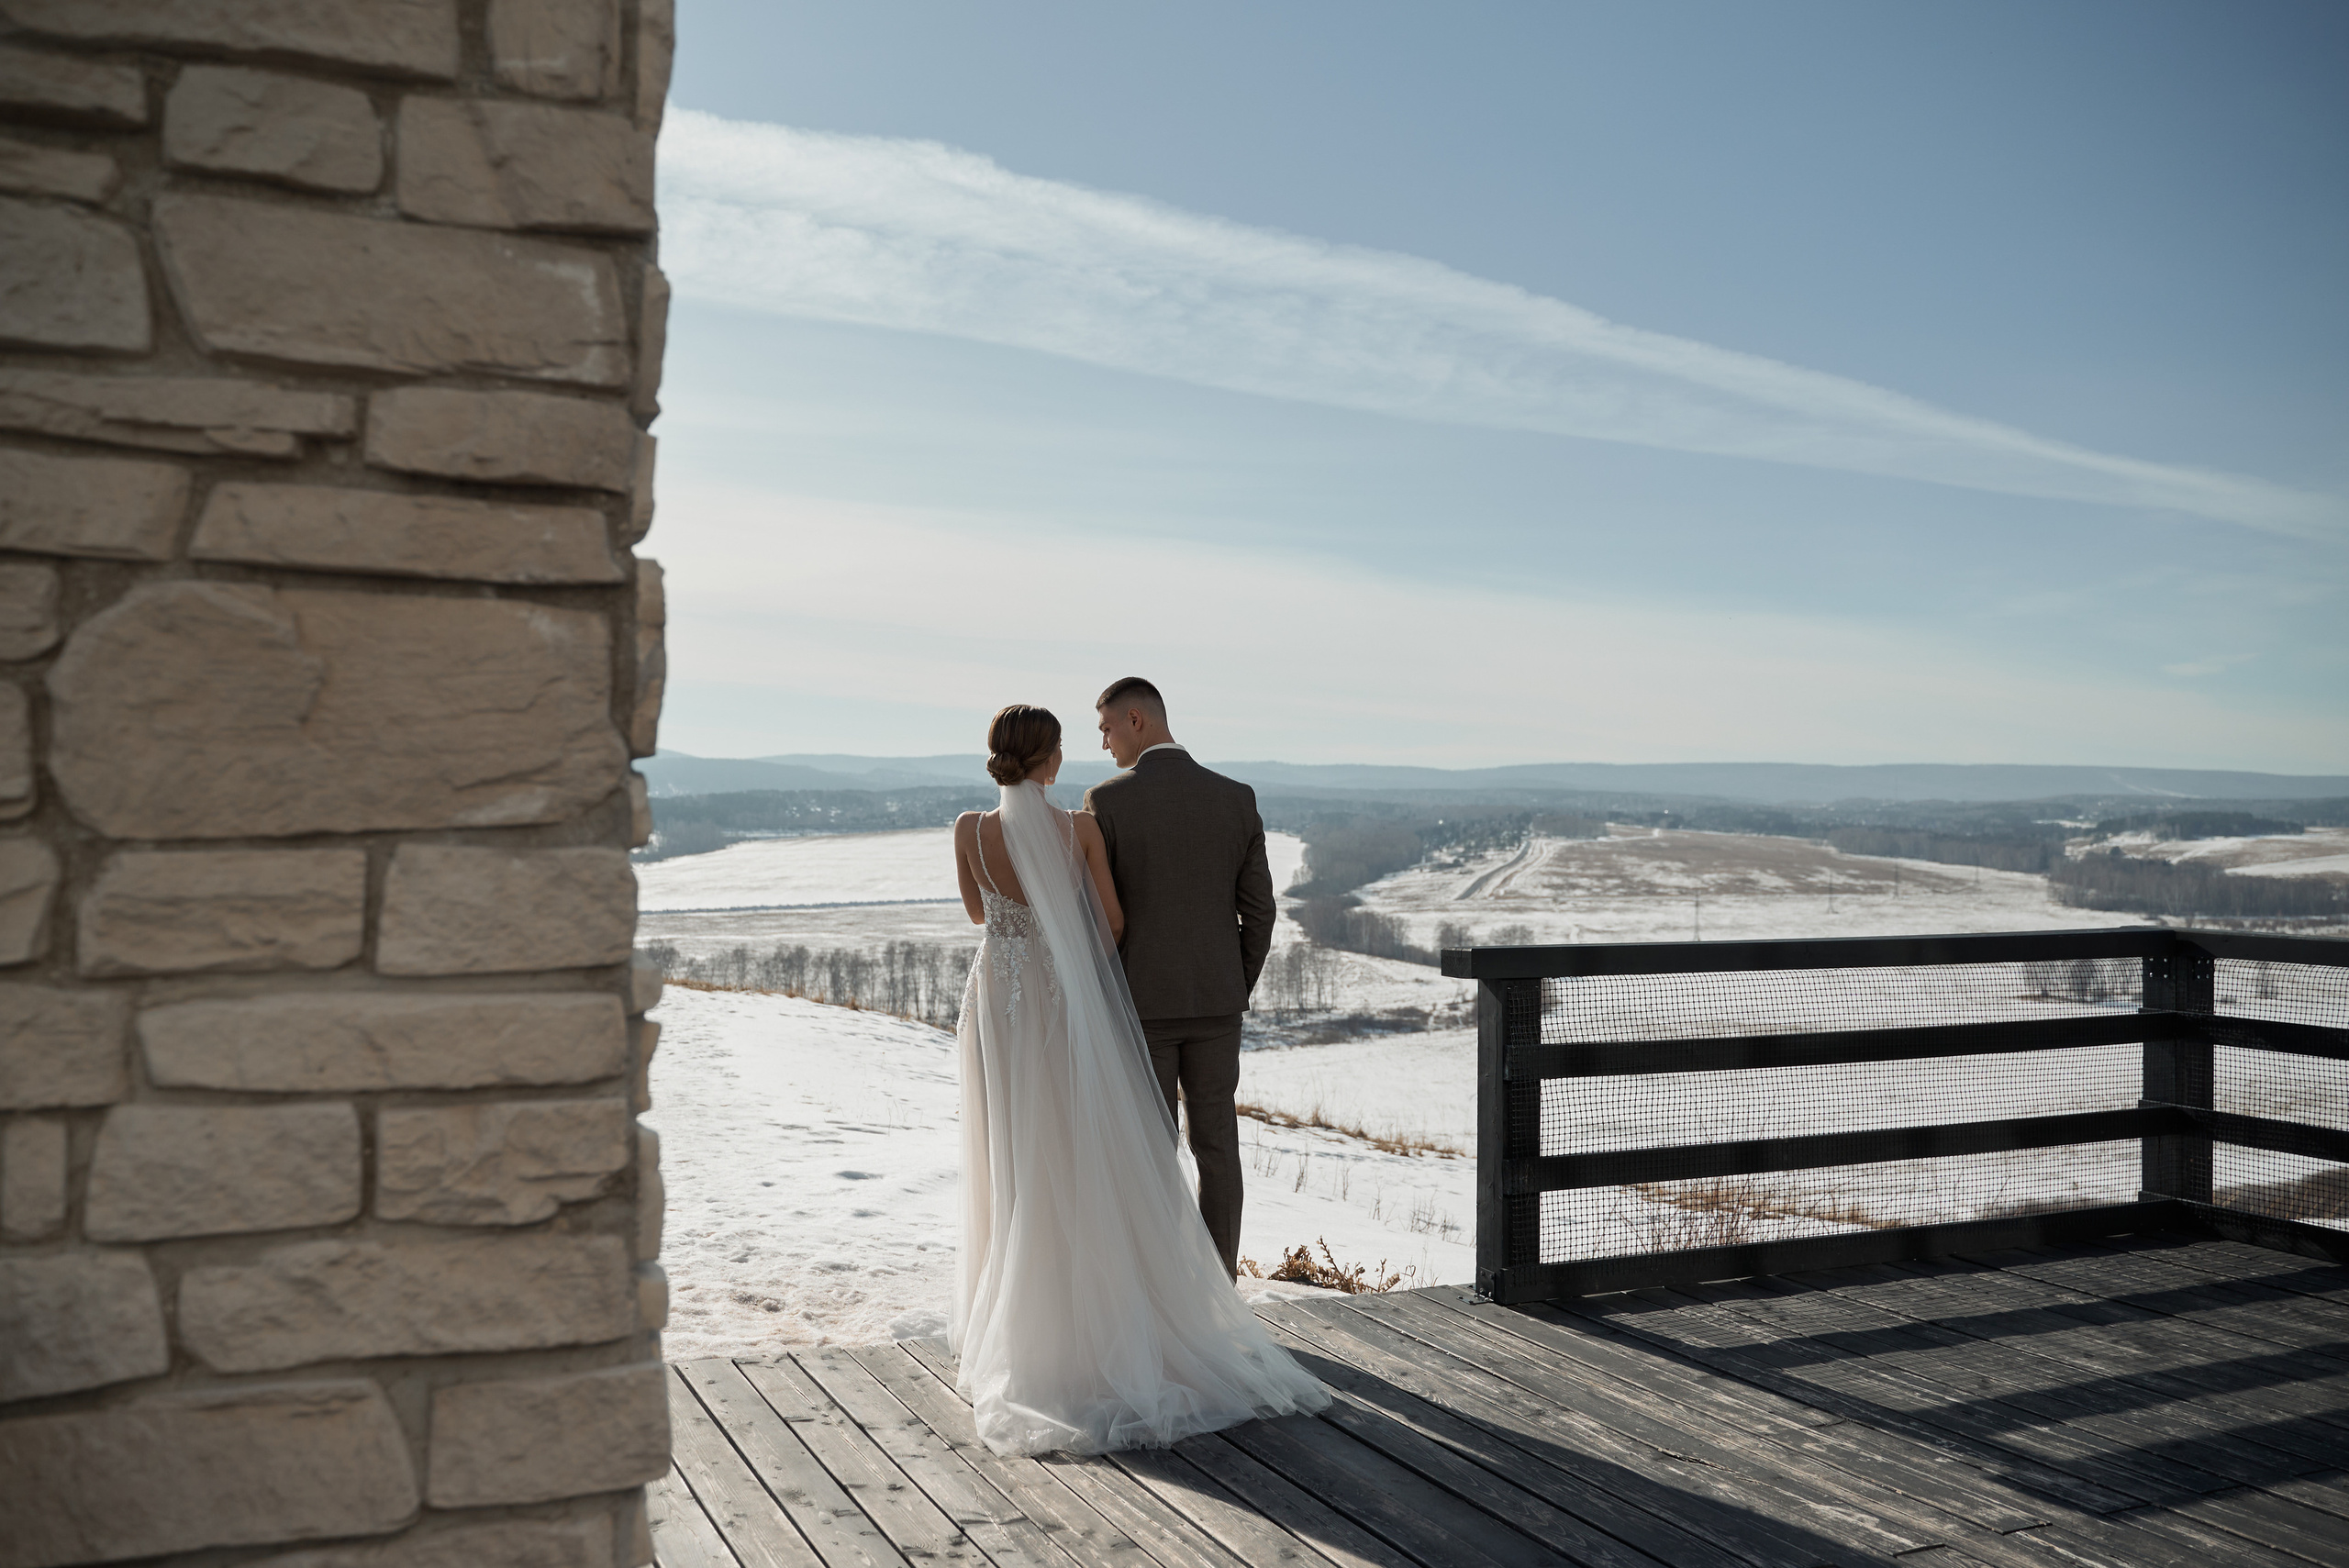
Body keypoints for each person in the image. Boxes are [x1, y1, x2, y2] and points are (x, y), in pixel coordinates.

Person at [948, 703, 1327, 1456]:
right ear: (1049, 759)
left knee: (1013, 1150)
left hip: (996, 1001)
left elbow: (975, 914)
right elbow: (1111, 922)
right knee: (1081, 1142)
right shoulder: (1079, 828)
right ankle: (1145, 1302)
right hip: (1060, 997)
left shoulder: (969, 830)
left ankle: (1019, 1314)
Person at [1082, 676, 1275, 1279]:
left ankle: (1164, 1294)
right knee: (1218, 1148)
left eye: (1107, 728)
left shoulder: (1107, 802)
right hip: (1218, 1003)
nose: (1105, 741)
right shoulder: (1236, 797)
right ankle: (1220, 1285)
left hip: (1142, 1005)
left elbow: (1101, 915)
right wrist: (1232, 982)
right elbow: (1261, 910)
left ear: (1137, 719)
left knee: (1150, 1152)